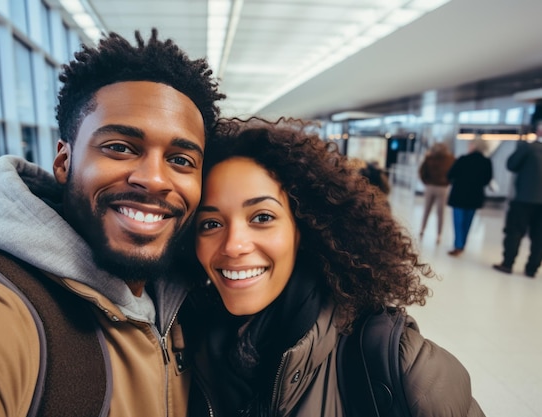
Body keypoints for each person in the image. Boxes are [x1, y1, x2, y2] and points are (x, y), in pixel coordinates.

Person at [0, 29, 224, 416]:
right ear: (64, 161)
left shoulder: (188, 295)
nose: (155, 179)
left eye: (180, 160)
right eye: (120, 148)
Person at [181, 117, 485, 417]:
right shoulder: (184, 348)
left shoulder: (404, 366)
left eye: (262, 217)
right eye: (211, 223)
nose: (233, 245)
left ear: (302, 229)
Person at [493, 120, 542, 278]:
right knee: (539, 236)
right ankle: (532, 268)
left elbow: (511, 164)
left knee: (514, 231)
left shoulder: (528, 148)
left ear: (538, 132)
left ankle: (508, 264)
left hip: (524, 198)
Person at [446, 138, 493, 256]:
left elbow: (450, 174)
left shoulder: (463, 159)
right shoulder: (486, 162)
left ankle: (458, 245)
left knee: (458, 222)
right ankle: (462, 245)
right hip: (474, 197)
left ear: (474, 146)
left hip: (459, 195)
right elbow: (487, 179)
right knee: (467, 222)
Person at [418, 142, 455, 243]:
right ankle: (438, 234)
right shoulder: (450, 158)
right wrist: (447, 182)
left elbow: (421, 171)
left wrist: (425, 181)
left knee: (428, 210)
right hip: (442, 187)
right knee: (440, 212)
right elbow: (453, 173)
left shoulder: (430, 157)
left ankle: (423, 230)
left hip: (432, 186)